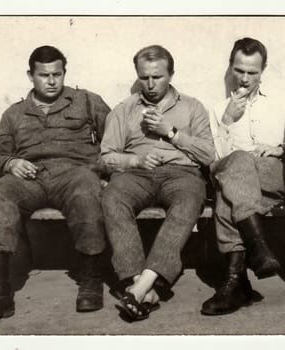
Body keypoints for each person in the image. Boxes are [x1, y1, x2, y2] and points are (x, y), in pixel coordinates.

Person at [0, 46, 111, 327]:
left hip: (74, 173)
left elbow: (116, 140)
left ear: (64, 73)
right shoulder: (15, 113)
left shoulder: (87, 101)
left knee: (86, 191)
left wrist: (104, 170)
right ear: (30, 75)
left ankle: (91, 280)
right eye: (44, 75)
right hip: (29, 179)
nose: (51, 81)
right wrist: (10, 164)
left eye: (57, 74)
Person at [100, 45, 214, 321]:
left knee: (188, 201)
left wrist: (171, 132)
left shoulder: (192, 106)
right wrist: (133, 162)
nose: (150, 85)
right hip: (137, 175)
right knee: (112, 196)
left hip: (181, 174)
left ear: (171, 74)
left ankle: (139, 286)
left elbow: (209, 154)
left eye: (158, 77)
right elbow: (104, 159)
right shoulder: (123, 110)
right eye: (144, 77)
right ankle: (142, 287)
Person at [201, 38, 285, 316]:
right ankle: (257, 250)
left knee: (228, 194)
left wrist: (279, 149)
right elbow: (215, 160)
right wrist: (228, 119)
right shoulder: (217, 109)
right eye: (239, 70)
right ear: (231, 68)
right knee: (237, 164)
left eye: (252, 72)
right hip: (234, 177)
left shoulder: (281, 104)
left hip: (268, 176)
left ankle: (236, 282)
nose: (244, 78)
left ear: (263, 71)